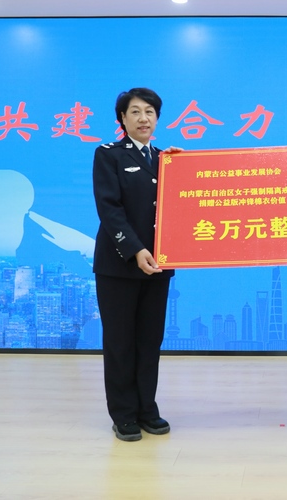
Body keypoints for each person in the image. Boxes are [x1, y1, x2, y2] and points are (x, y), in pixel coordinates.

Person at [92, 87, 178, 442]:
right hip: (119, 265)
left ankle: (147, 409)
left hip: (158, 265)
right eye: (136, 112)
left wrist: (185, 169)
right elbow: (109, 209)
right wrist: (135, 249)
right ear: (122, 119)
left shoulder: (168, 160)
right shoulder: (108, 154)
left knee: (149, 341)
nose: (144, 118)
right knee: (120, 342)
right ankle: (124, 414)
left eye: (150, 112)